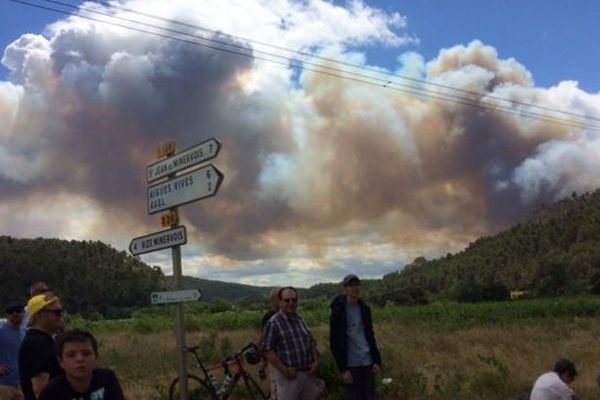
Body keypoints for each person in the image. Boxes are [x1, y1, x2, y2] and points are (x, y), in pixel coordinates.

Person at [262, 286, 321, 400]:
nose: (291, 303)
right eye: (287, 300)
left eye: (294, 300)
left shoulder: (300, 320)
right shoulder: (273, 323)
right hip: (288, 378)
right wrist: (284, 370)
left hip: (308, 374)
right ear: (280, 302)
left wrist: (316, 362)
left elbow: (311, 342)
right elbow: (267, 350)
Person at [329, 274, 382, 400]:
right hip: (352, 366)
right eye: (351, 285)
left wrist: (376, 360)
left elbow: (370, 335)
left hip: (368, 363)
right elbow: (334, 341)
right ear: (345, 289)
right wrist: (343, 369)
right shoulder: (338, 311)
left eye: (357, 285)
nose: (355, 288)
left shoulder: (365, 309)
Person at [39, 329, 125, 400]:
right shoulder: (52, 391)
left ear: (96, 357)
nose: (80, 359)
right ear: (61, 362)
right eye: (71, 355)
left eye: (86, 353)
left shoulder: (107, 379)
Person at [18, 292, 65, 400]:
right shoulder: (37, 344)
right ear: (39, 315)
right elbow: (40, 390)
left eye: (61, 312)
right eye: (57, 313)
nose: (60, 317)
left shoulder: (45, 340)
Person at [0, 302, 26, 400]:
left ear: (23, 313)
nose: (15, 314)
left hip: (20, 383)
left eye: (18, 311)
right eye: (11, 312)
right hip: (4, 384)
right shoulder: (1, 331)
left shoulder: (24, 332)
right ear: (7, 315)